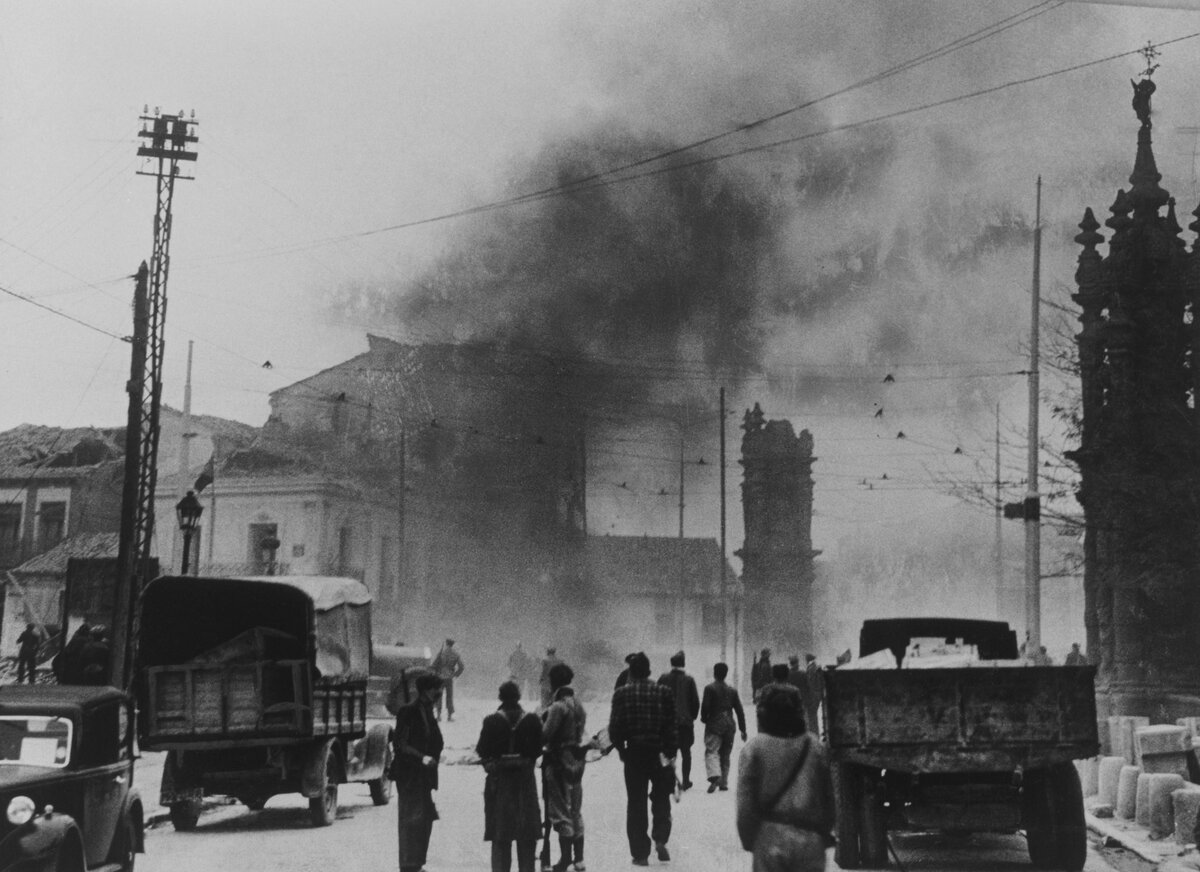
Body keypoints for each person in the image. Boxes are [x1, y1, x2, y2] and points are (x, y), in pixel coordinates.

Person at [736, 685, 834, 872]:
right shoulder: (815, 747)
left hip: (770, 838)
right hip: (810, 840)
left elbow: (745, 805)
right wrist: (821, 834)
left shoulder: (754, 749)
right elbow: (829, 800)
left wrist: (750, 840)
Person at [608, 652, 677, 866]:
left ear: (631, 671)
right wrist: (670, 752)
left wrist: (621, 750)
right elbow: (671, 726)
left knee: (636, 803)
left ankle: (640, 854)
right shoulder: (664, 692)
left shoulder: (621, 694)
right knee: (661, 797)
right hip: (658, 753)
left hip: (635, 753)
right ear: (648, 670)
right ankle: (660, 838)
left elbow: (615, 728)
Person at [476, 680, 542, 872]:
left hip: (499, 782)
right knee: (527, 834)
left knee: (500, 834)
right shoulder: (532, 720)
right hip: (525, 782)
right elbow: (537, 750)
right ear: (519, 697)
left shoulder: (491, 721)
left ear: (500, 698)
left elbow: (483, 750)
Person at [392, 673, 446, 872]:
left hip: (425, 776)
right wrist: (421, 757)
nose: (440, 692)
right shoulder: (409, 711)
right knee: (411, 821)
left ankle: (417, 863)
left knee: (424, 821)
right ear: (426, 690)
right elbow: (400, 744)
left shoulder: (428, 710)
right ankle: (408, 865)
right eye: (436, 688)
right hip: (410, 775)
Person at [542, 662, 588, 872]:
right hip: (576, 761)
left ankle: (564, 859)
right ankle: (579, 858)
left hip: (558, 760)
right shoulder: (579, 705)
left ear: (554, 683)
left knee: (560, 810)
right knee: (576, 809)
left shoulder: (558, 707)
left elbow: (546, 735)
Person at [701, 661, 747, 793]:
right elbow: (739, 710)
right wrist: (743, 730)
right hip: (729, 725)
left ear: (715, 673)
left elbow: (705, 707)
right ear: (726, 674)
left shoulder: (709, 688)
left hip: (714, 723)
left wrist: (704, 719)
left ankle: (714, 775)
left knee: (712, 751)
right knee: (725, 754)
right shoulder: (732, 690)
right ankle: (724, 782)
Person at [658, 650, 700, 791]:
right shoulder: (689, 680)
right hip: (684, 723)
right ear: (683, 664)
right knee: (686, 752)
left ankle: (669, 781)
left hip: (667, 723)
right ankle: (686, 780)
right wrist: (691, 717)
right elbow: (695, 702)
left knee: (669, 753)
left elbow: (657, 698)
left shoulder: (663, 678)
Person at [431, 638, 465, 722]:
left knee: (439, 696)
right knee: (449, 697)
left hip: (440, 677)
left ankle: (438, 716)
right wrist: (455, 675)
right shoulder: (456, 654)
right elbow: (461, 667)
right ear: (452, 644)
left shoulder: (441, 652)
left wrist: (434, 673)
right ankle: (449, 716)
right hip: (449, 678)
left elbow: (434, 665)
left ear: (446, 644)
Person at [802, 654, 824, 740]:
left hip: (813, 695)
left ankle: (814, 736)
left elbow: (810, 683)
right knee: (813, 716)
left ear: (807, 660)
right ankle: (815, 734)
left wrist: (809, 695)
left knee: (812, 716)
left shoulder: (811, 668)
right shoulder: (815, 667)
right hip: (817, 694)